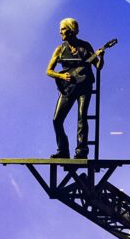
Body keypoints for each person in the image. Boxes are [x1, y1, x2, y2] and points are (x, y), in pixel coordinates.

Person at [45, 17, 105, 159]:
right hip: (67, 88)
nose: (60, 32)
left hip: (84, 86)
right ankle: (63, 150)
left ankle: (81, 151)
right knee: (57, 120)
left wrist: (101, 57)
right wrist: (61, 76)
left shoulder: (85, 47)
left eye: (63, 29)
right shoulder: (60, 49)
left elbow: (98, 66)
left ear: (71, 30)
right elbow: (49, 70)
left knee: (82, 118)